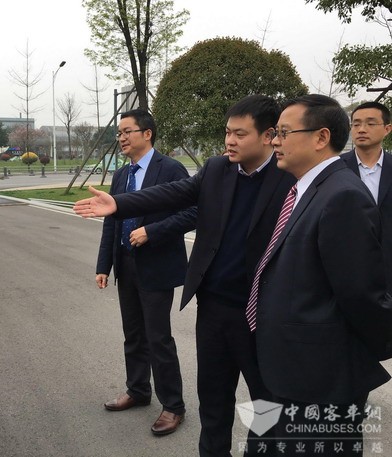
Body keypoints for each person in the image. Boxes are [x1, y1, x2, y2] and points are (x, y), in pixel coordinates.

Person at [75, 95, 296, 456]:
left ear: (269, 135)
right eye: (228, 132)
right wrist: (119, 204)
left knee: (265, 402)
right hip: (214, 308)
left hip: (260, 312)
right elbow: (172, 194)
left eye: (240, 134)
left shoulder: (288, 177)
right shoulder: (217, 169)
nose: (230, 141)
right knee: (213, 399)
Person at [251, 94, 391, 455]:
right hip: (291, 365)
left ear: (321, 137)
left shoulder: (342, 196)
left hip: (319, 373)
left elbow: (361, 294)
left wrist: (371, 347)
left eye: (284, 132)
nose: (275, 141)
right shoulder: (307, 188)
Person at [97, 109, 196, 436]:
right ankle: (138, 390)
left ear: (147, 133)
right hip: (126, 264)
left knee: (158, 338)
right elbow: (111, 222)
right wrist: (104, 265)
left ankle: (173, 406)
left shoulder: (170, 169)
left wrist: (153, 231)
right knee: (134, 334)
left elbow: (193, 212)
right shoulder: (121, 175)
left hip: (156, 265)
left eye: (127, 131)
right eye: (119, 133)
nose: (121, 138)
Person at [341, 102, 392, 288]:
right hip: (348, 264)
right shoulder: (336, 168)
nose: (361, 129)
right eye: (356, 124)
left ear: (387, 129)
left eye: (370, 123)